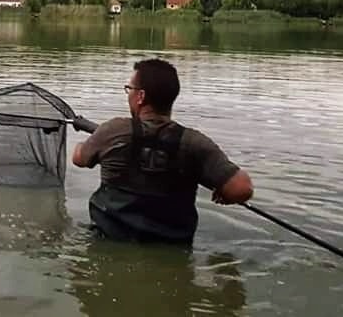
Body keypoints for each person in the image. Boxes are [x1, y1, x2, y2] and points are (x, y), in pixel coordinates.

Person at [72, 58, 253, 245]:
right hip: (171, 249)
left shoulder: (112, 131)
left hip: (109, 245)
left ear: (141, 96)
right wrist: (225, 191)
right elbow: (241, 188)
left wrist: (90, 143)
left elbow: (78, 158)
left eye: (129, 89)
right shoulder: (194, 143)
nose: (128, 95)